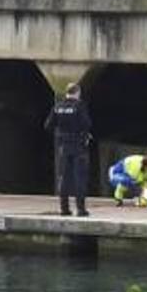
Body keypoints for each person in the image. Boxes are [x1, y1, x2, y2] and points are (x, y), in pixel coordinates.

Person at [44, 82, 92, 217]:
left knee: (63, 177)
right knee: (79, 177)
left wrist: (60, 133)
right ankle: (81, 209)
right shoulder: (79, 106)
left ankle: (64, 209)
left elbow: (48, 125)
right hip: (78, 146)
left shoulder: (58, 107)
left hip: (63, 146)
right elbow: (87, 123)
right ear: (77, 93)